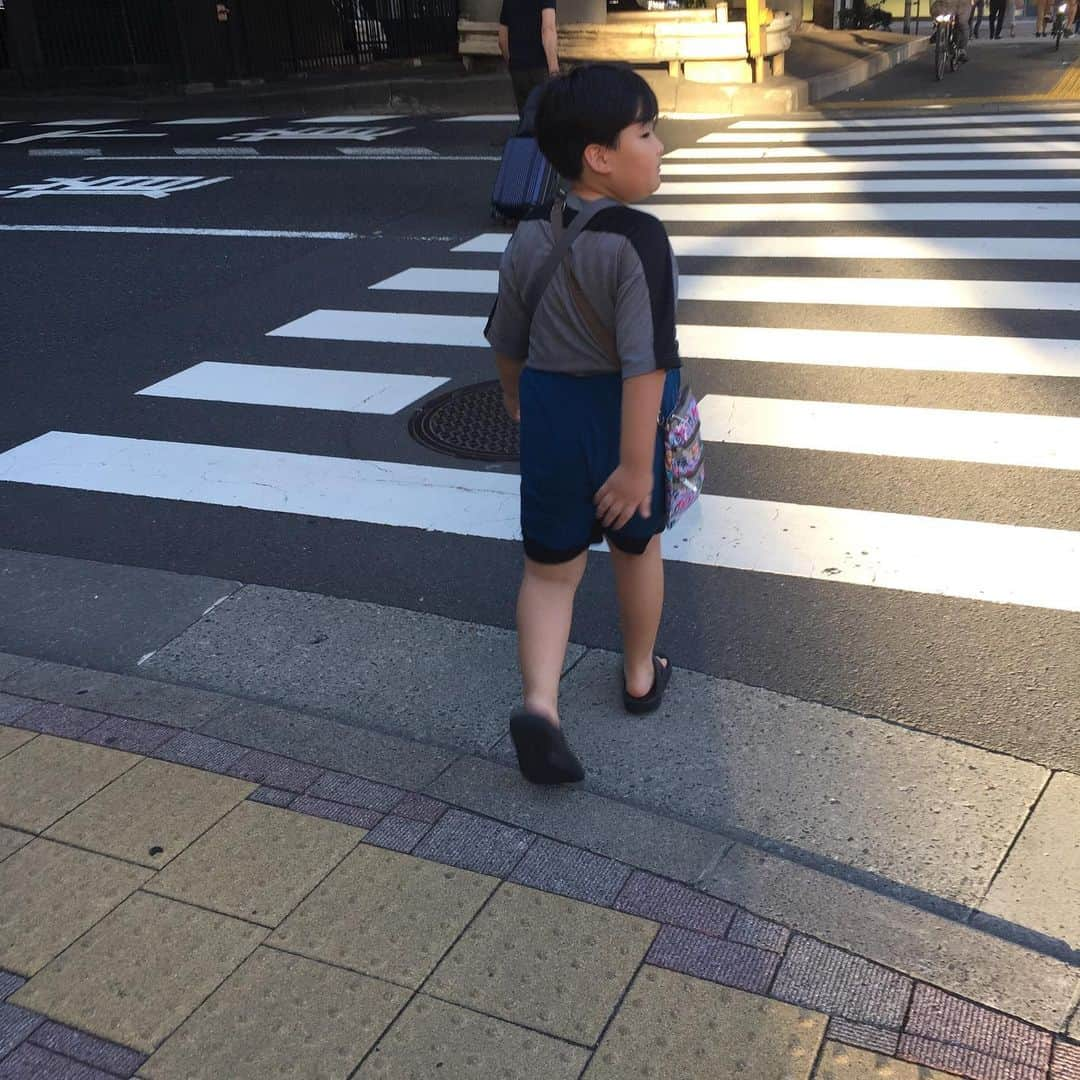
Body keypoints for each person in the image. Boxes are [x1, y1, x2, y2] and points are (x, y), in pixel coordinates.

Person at [484, 64, 681, 785]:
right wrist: (634, 467)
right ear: (600, 155)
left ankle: (540, 703)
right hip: (619, 420)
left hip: (550, 412)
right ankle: (637, 674)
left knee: (549, 569)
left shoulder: (532, 234)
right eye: (647, 132)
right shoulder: (641, 241)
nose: (660, 146)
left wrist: (515, 401)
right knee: (637, 546)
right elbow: (646, 367)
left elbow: (507, 337)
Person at [498, 0, 560, 118]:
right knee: (548, 121)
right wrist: (554, 69)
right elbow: (548, 29)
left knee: (526, 122)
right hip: (541, 68)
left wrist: (511, 63)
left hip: (518, 69)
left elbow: (502, 40)